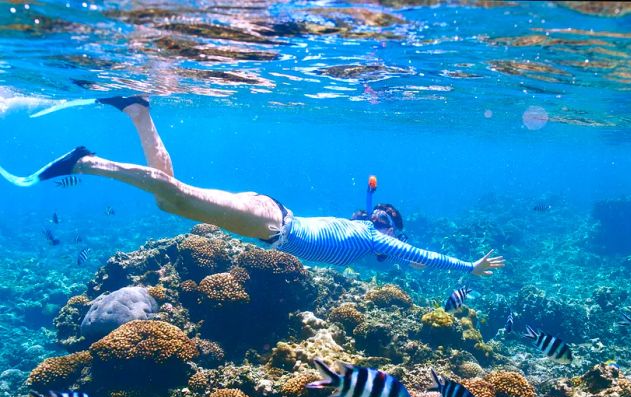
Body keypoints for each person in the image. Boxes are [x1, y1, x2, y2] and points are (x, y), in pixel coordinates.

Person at [0, 95, 505, 275]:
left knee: (171, 199)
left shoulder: (372, 236)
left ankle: (138, 111)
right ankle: (87, 163)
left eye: (384, 221)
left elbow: (385, 222)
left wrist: (376, 202)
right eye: (382, 220)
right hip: (272, 222)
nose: (378, 221)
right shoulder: (374, 238)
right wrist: (469, 265)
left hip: (272, 216)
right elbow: (425, 257)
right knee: (177, 198)